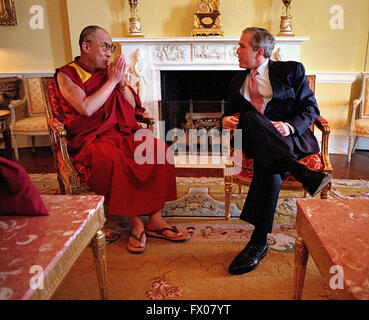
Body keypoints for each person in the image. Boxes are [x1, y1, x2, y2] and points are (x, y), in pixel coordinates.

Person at [55, 25, 190, 254]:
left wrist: (120, 83)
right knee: (116, 160)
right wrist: (111, 81)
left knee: (158, 150)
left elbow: (131, 106)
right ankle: (136, 222)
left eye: (112, 47)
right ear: (86, 46)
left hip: (124, 132)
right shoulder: (67, 74)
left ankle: (155, 219)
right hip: (93, 138)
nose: (110, 52)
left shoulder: (108, 73)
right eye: (105, 47)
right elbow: (86, 109)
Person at [222, 27, 331, 275]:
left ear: (259, 52)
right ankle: (301, 172)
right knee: (249, 118)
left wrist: (290, 126)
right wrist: (225, 120)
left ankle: (258, 242)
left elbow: (311, 109)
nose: (236, 51)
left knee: (268, 163)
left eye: (241, 46)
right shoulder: (235, 81)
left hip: (287, 139)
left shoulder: (291, 70)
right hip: (252, 137)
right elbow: (227, 114)